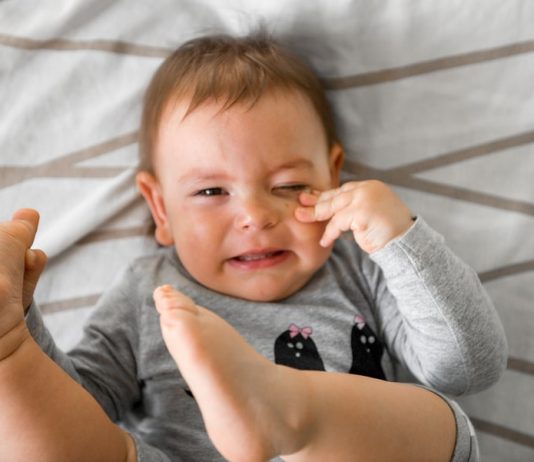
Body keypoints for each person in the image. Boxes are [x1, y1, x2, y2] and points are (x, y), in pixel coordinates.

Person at [0, 32, 507, 462]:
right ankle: (7, 351)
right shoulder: (149, 292)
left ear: (333, 176)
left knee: (439, 421)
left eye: (288, 186)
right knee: (84, 447)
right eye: (210, 192)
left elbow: (467, 367)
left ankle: (289, 408)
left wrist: (399, 238)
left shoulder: (360, 266)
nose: (256, 217)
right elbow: (86, 401)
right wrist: (23, 325)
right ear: (160, 210)